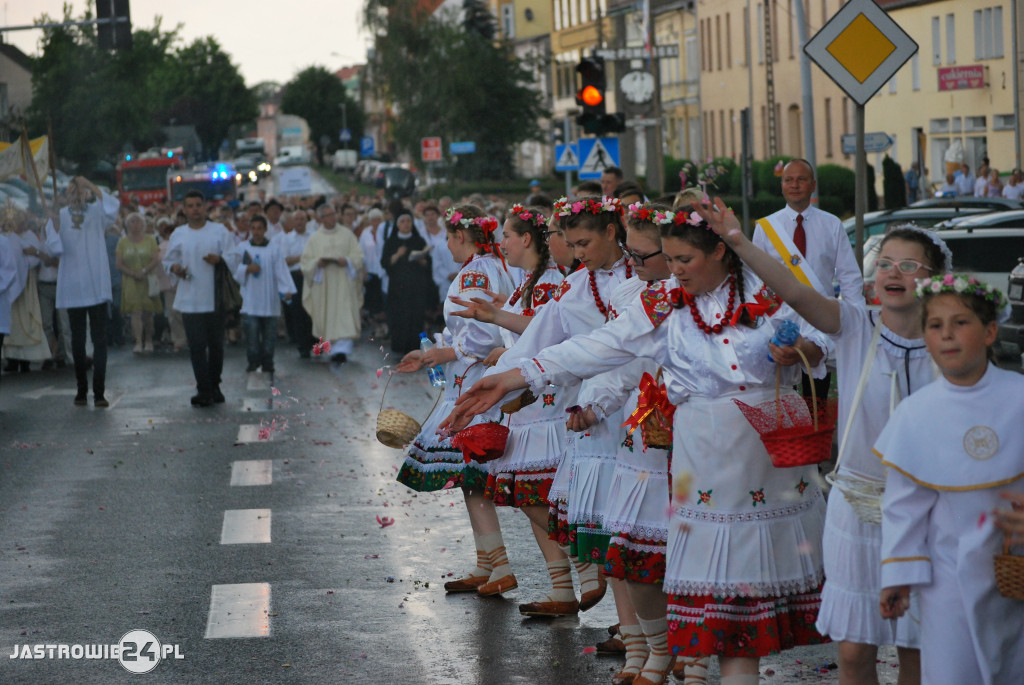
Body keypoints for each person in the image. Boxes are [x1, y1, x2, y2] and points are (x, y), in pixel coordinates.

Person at [447, 201, 833, 685]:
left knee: (748, 593)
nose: (673, 272)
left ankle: (700, 667)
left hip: (763, 456)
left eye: (683, 261)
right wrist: (515, 376)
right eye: (666, 261)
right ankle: (686, 661)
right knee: (709, 590)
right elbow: (600, 346)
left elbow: (823, 330)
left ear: (719, 251)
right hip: (702, 457)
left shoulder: (765, 290)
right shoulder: (662, 302)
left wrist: (805, 349)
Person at [696, 210, 953, 684]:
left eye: (909, 266)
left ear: (937, 278)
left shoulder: (951, 338)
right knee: (855, 652)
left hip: (929, 510)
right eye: (886, 263)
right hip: (858, 503)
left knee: (919, 650)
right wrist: (739, 242)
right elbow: (794, 292)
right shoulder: (856, 324)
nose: (893, 273)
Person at [878, 275, 1024, 684]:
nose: (947, 335)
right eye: (935, 325)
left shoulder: (1019, 397)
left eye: (961, 323)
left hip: (1014, 563)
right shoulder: (915, 413)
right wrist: (898, 576)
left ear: (990, 331)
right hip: (948, 577)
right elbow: (903, 505)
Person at [394, 204, 517, 598]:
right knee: (470, 480)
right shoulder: (489, 265)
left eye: (448, 237)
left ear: (461, 236)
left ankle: (500, 565)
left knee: (473, 477)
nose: (445, 245)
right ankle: (487, 562)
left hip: (477, 382)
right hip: (473, 378)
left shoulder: (478, 270)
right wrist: (436, 351)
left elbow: (484, 334)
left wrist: (442, 354)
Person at [753, 158, 863, 399]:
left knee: (817, 399)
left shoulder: (832, 224)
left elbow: (849, 275)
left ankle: (817, 436)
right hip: (779, 321)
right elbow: (756, 278)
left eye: (801, 179)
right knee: (781, 395)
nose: (795, 185)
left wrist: (856, 317)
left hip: (819, 322)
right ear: (781, 186)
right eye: (788, 180)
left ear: (813, 185)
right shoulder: (766, 227)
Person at [44, 176, 120, 407]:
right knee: (78, 340)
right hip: (74, 286)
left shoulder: (97, 212)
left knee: (99, 338)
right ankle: (81, 388)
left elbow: (113, 207)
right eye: (72, 191)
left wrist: (90, 184)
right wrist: (55, 228)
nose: (77, 194)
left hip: (96, 283)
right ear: (66, 196)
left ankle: (98, 391)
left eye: (81, 191)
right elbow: (55, 249)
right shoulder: (60, 216)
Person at [163, 190, 238, 407]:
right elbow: (169, 261)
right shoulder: (179, 234)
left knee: (216, 345)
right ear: (184, 209)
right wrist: (175, 268)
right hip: (189, 298)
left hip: (214, 297)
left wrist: (220, 259)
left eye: (199, 205)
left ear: (205, 207)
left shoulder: (219, 231)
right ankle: (203, 389)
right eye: (191, 205)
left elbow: (233, 256)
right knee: (196, 346)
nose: (195, 209)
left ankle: (215, 385)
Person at [299, 203, 364, 363]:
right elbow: (305, 262)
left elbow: (358, 255)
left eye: (333, 214)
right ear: (321, 218)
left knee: (344, 312)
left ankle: (342, 349)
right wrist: (317, 263)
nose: (332, 217)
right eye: (328, 215)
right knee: (327, 313)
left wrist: (347, 261)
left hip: (343, 282)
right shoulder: (314, 238)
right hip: (324, 286)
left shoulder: (347, 234)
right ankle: (333, 347)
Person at [233, 214, 295, 374]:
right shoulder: (243, 247)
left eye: (259, 228)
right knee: (252, 335)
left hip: (269, 299)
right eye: (253, 228)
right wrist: (247, 269)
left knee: (269, 336)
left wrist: (286, 290)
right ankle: (253, 361)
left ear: (265, 230)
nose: (256, 232)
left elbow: (281, 271)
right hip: (251, 299)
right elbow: (235, 270)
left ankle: (268, 362)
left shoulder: (273, 248)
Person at [380, 210, 434, 354]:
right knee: (399, 316)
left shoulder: (419, 240)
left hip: (416, 287)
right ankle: (399, 346)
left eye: (408, 221)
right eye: (402, 221)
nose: (406, 224)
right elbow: (385, 263)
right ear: (397, 225)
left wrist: (422, 259)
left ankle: (414, 347)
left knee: (416, 316)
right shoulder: (391, 242)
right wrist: (398, 254)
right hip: (398, 287)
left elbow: (428, 263)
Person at [116, 213, 162, 353]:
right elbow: (119, 263)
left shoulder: (150, 240)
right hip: (131, 281)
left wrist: (144, 271)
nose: (135, 224)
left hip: (148, 279)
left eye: (138, 221)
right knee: (135, 312)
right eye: (132, 222)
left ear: (143, 224)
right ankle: (138, 342)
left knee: (147, 312)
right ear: (127, 224)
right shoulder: (122, 242)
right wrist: (133, 273)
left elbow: (156, 259)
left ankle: (148, 339)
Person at [281, 211, 315, 356]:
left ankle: (314, 342)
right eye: (297, 219)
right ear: (292, 222)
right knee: (298, 312)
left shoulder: (313, 236)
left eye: (302, 219)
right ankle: (302, 346)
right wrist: (302, 258)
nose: (300, 222)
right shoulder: (287, 239)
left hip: (311, 277)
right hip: (295, 278)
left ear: (307, 221)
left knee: (312, 311)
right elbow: (284, 260)